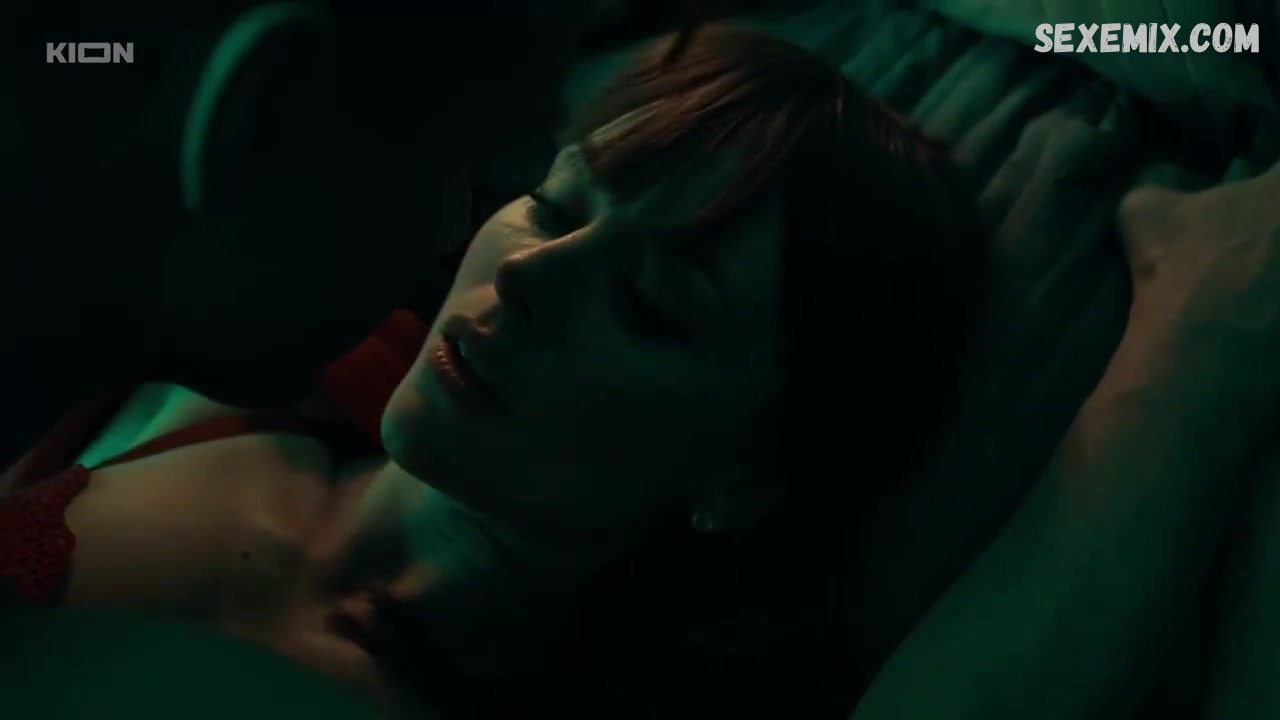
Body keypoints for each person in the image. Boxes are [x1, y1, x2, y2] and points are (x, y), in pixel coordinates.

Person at [2, 22, 1277, 719]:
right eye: (558, 206)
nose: (530, 277)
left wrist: (1194, 344)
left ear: (745, 473)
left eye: (652, 308)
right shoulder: (250, 347)